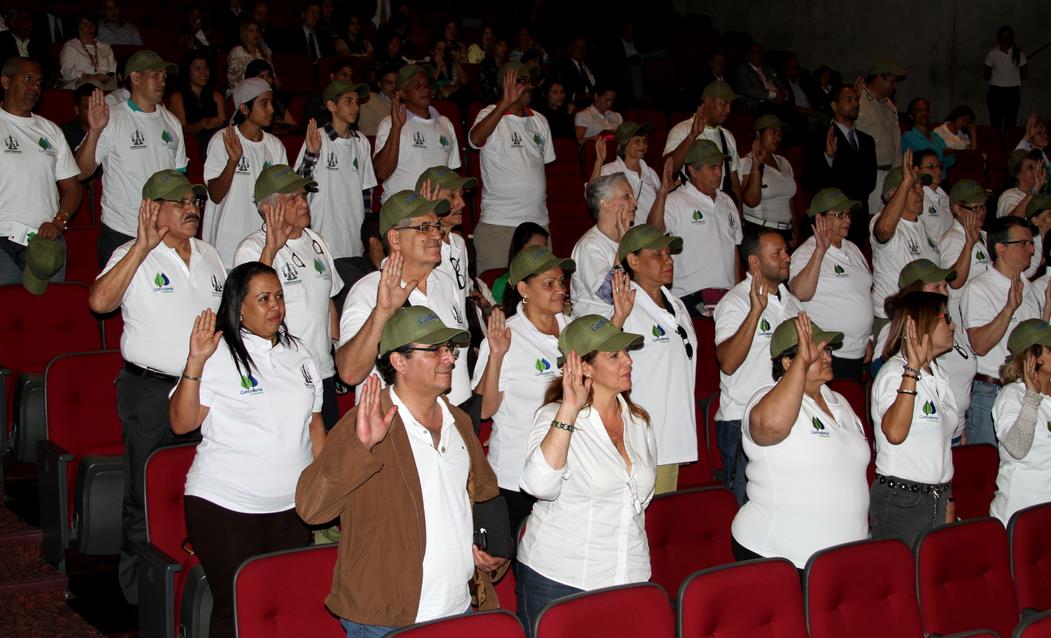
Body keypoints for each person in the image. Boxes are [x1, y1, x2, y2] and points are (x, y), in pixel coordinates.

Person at [297, 306, 507, 633]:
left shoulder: (460, 423)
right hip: (386, 619)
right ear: (398, 361)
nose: (450, 358)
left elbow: (483, 495)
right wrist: (360, 448)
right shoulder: (363, 422)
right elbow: (312, 508)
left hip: (457, 607)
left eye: (450, 349)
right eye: (435, 350)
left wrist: (490, 552)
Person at [87, 169, 225, 604]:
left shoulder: (210, 254)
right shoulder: (131, 254)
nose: (192, 209)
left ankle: (195, 582)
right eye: (180, 202)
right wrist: (143, 247)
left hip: (203, 388)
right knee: (144, 491)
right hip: (148, 391)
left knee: (203, 485)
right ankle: (139, 591)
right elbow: (99, 302)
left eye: (196, 202)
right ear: (152, 209)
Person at [169, 262, 323, 637]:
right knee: (238, 607)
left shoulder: (299, 352)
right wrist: (194, 362)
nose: (276, 307)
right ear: (239, 306)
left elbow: (314, 425)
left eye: (280, 297)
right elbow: (181, 423)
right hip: (226, 504)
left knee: (284, 607)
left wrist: (329, 486)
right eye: (264, 299)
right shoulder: (217, 353)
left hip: (292, 507)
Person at [516, 314, 655, 631]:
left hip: (629, 573)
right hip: (560, 578)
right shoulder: (555, 416)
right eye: (615, 355)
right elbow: (538, 484)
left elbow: (641, 498)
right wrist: (570, 408)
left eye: (627, 352)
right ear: (584, 367)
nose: (628, 361)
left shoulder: (639, 421)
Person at [732, 313, 869, 566]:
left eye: (828, 349)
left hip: (843, 553)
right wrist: (802, 362)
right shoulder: (764, 399)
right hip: (779, 555)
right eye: (817, 350)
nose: (828, 356)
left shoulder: (841, 402)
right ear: (787, 361)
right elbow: (770, 426)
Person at [336, 191, 472, 407]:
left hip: (455, 419)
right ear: (395, 238)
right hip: (396, 427)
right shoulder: (368, 291)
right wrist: (381, 312)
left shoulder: (446, 283)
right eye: (424, 228)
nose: (437, 235)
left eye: (437, 226)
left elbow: (460, 357)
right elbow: (349, 373)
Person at [233, 164, 342, 429]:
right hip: (280, 374)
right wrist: (272, 249)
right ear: (268, 209)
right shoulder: (252, 249)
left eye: (303, 196)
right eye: (292, 199)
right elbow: (248, 308)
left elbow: (328, 300)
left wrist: (338, 351)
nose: (303, 203)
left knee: (325, 458)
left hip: (321, 370)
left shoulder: (317, 241)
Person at [473, 246, 574, 530]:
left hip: (567, 472)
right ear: (523, 289)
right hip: (515, 476)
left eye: (561, 282)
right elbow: (485, 410)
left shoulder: (573, 332)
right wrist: (495, 356)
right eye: (548, 284)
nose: (560, 290)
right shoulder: (505, 336)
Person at [75, 50, 187, 268]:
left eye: (164, 76)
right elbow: (81, 172)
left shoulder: (172, 122)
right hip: (121, 232)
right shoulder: (112, 117)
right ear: (135, 78)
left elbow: (179, 180)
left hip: (161, 232)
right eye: (155, 75)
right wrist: (95, 131)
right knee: (114, 301)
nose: (162, 81)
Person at [714, 229, 797, 503]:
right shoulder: (735, 302)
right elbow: (727, 362)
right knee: (746, 507)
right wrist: (755, 312)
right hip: (742, 420)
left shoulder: (791, 302)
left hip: (784, 416)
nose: (787, 257)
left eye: (786, 250)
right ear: (755, 263)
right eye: (778, 253)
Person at [870, 290, 958, 545]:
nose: (952, 325)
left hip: (937, 497)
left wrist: (946, 498)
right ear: (921, 323)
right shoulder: (894, 373)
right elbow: (895, 433)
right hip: (902, 501)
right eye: (946, 318)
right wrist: (912, 370)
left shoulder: (938, 374)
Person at [617, 224, 698, 493]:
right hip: (646, 440)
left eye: (669, 254)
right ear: (633, 261)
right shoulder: (626, 310)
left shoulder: (677, 305)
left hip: (674, 432)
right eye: (657, 255)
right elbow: (605, 364)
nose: (668, 260)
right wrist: (617, 320)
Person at [963, 216, 1051, 445]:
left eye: (1031, 243)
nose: (1032, 249)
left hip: (1026, 388)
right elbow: (979, 345)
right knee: (988, 465)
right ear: (1001, 248)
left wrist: (1047, 310)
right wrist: (1010, 308)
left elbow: (1032, 343)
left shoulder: (1027, 285)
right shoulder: (980, 288)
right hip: (991, 391)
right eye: (1023, 243)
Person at [0, 58, 82, 286]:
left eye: (38, 82)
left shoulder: (50, 130)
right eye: (27, 79)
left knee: (45, 313)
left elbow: (72, 187)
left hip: (46, 241)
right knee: (7, 313)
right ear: (6, 81)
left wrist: (59, 222)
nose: (35, 87)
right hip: (1, 237)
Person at [469, 63, 555, 273]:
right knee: (494, 293)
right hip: (500, 223)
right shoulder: (489, 114)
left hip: (538, 223)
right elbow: (475, 139)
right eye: (521, 81)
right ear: (504, 84)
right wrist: (504, 103)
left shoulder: (540, 120)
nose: (528, 86)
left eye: (529, 81)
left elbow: (542, 163)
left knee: (540, 290)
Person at [202, 78, 288, 268]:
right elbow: (215, 195)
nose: (272, 109)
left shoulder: (275, 146)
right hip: (227, 244)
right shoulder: (222, 139)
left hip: (263, 243)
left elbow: (283, 196)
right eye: (263, 103)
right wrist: (233, 161)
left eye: (271, 103)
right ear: (244, 108)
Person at [789, 188, 873, 380]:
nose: (848, 220)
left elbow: (863, 293)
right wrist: (820, 251)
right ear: (820, 218)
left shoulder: (853, 249)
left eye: (849, 214)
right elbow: (800, 293)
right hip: (828, 353)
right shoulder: (805, 253)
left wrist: (867, 338)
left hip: (857, 352)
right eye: (840, 215)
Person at [650, 139, 742, 315]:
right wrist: (662, 192)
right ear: (692, 170)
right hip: (689, 295)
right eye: (712, 167)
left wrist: (737, 291)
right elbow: (654, 231)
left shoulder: (727, 201)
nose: (719, 173)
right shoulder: (676, 200)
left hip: (727, 296)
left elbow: (734, 248)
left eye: (720, 166)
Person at [294, 81, 377, 260]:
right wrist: (311, 153)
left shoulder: (361, 142)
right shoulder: (318, 137)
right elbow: (300, 185)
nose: (355, 106)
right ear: (332, 106)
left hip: (353, 234)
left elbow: (367, 192)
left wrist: (367, 235)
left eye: (357, 102)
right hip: (323, 231)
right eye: (348, 101)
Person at [936, 179, 990, 440]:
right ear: (957, 209)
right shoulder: (952, 239)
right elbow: (954, 279)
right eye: (973, 208)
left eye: (983, 208)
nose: (979, 214)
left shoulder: (985, 237)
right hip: (959, 332)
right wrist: (968, 244)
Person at [870, 154, 939, 335]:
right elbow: (883, 231)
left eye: (920, 186)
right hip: (894, 321)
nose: (921, 191)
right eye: (912, 187)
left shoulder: (923, 227)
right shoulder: (881, 221)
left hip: (922, 316)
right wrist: (906, 181)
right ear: (895, 194)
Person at [990, 319, 1051, 524]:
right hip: (1022, 515)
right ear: (1031, 358)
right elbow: (1017, 448)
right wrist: (1032, 399)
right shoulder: (1011, 396)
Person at [373, 63, 462, 203]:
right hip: (403, 214)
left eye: (427, 84)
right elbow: (382, 172)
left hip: (437, 212)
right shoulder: (389, 123)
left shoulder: (445, 123)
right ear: (402, 93)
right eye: (417, 85)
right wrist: (396, 128)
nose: (425, 89)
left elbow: (451, 172)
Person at [802, 84, 877, 248]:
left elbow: (870, 181)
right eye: (849, 99)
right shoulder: (820, 137)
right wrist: (828, 158)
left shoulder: (867, 141)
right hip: (833, 216)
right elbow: (810, 180)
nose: (855, 104)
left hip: (859, 213)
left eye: (856, 100)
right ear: (834, 105)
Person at [570, 173, 637, 319]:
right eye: (627, 196)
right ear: (604, 203)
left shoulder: (633, 237)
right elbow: (611, 295)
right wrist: (625, 244)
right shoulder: (589, 246)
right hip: (599, 331)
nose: (635, 202)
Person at [662, 81, 742, 200]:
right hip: (691, 206)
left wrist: (737, 217)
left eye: (730, 104)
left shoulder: (727, 136)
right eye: (724, 103)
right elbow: (668, 169)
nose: (728, 109)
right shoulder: (682, 130)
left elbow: (734, 185)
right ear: (708, 102)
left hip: (721, 206)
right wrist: (691, 136)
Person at [591, 122, 668, 227]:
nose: (642, 145)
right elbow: (592, 197)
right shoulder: (610, 170)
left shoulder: (651, 173)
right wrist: (598, 162)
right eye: (637, 141)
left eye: (645, 141)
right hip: (623, 236)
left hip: (650, 235)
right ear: (624, 144)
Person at [416, 165, 476, 297]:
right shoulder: (419, 245)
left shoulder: (459, 243)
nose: (462, 203)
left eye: (461, 195)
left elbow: (464, 294)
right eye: (452, 196)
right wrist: (428, 215)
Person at [856, 59, 906, 213]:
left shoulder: (890, 106)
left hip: (889, 173)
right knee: (869, 219)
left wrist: (899, 174)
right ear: (878, 78)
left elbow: (897, 143)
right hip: (869, 174)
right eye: (892, 81)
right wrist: (854, 99)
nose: (894, 86)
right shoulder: (859, 100)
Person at [740, 115, 797, 233]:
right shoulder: (746, 162)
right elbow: (751, 201)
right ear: (758, 134)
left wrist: (795, 230)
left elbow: (789, 199)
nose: (777, 137)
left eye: (779, 133)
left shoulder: (784, 162)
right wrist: (756, 167)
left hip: (785, 231)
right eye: (772, 132)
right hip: (760, 229)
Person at [167, 51, 226, 161]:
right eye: (198, 69)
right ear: (187, 71)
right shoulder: (178, 97)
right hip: (193, 144)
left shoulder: (216, 96)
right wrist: (202, 124)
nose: (204, 72)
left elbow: (223, 125)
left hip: (216, 142)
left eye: (206, 68)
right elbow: (179, 130)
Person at [489, 223, 549, 304]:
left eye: (544, 249)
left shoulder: (550, 278)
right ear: (519, 250)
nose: (541, 254)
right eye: (534, 249)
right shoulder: (502, 283)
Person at [985, 25, 1028, 131]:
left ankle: (1009, 146)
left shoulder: (1019, 53)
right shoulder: (992, 54)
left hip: (1012, 91)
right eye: (1003, 36)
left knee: (1011, 122)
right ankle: (996, 145)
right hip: (996, 91)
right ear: (998, 38)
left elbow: (1025, 75)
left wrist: (1015, 69)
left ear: (1012, 37)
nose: (1005, 39)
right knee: (995, 122)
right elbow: (986, 74)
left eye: (1008, 36)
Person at [59, 13, 117, 90]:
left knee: (118, 86)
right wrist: (89, 76)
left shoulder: (105, 47)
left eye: (92, 25)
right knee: (93, 83)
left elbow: (114, 70)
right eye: (86, 25)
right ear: (78, 27)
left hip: (105, 83)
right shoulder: (70, 46)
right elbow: (67, 72)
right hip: (81, 83)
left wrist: (108, 77)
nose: (90, 28)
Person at [901, 99, 954, 179]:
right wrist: (942, 153)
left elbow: (950, 160)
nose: (924, 113)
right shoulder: (908, 136)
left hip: (940, 180)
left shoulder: (936, 136)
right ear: (911, 116)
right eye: (919, 110)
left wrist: (944, 154)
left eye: (926, 110)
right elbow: (927, 156)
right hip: (922, 181)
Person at [733, 43, 789, 115]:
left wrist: (784, 94)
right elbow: (748, 90)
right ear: (748, 55)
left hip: (777, 101)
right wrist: (774, 95)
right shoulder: (743, 69)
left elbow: (780, 84)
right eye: (756, 52)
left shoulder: (768, 69)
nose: (759, 55)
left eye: (761, 52)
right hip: (759, 104)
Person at [0, 9, 52, 82]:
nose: (30, 24)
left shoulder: (38, 41)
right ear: (13, 23)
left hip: (36, 83)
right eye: (25, 20)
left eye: (31, 20)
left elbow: (47, 68)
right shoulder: (3, 41)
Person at [226, 17, 274, 94]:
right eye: (251, 31)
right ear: (244, 33)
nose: (255, 34)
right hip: (241, 93)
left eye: (257, 31)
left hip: (263, 91)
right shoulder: (237, 51)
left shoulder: (264, 52)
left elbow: (272, 74)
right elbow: (235, 79)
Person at [998, 149, 1047, 220]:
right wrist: (1033, 192)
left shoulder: (1041, 196)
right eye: (1030, 167)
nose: (1036, 171)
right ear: (1018, 174)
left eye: (1037, 167)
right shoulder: (1009, 195)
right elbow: (1013, 221)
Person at [550, 35, 598, 106]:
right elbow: (560, 88)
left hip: (596, 103)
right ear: (570, 49)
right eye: (578, 47)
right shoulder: (562, 66)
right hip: (577, 105)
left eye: (584, 47)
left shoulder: (591, 65)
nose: (582, 50)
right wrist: (576, 96)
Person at [357, 63, 397, 137]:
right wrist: (396, 133)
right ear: (379, 84)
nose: (394, 86)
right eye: (389, 83)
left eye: (396, 82)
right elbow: (366, 131)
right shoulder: (369, 99)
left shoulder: (404, 100)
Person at [61, 82, 94, 151]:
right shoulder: (65, 134)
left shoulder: (110, 129)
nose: (93, 111)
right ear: (77, 110)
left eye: (97, 106)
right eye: (87, 107)